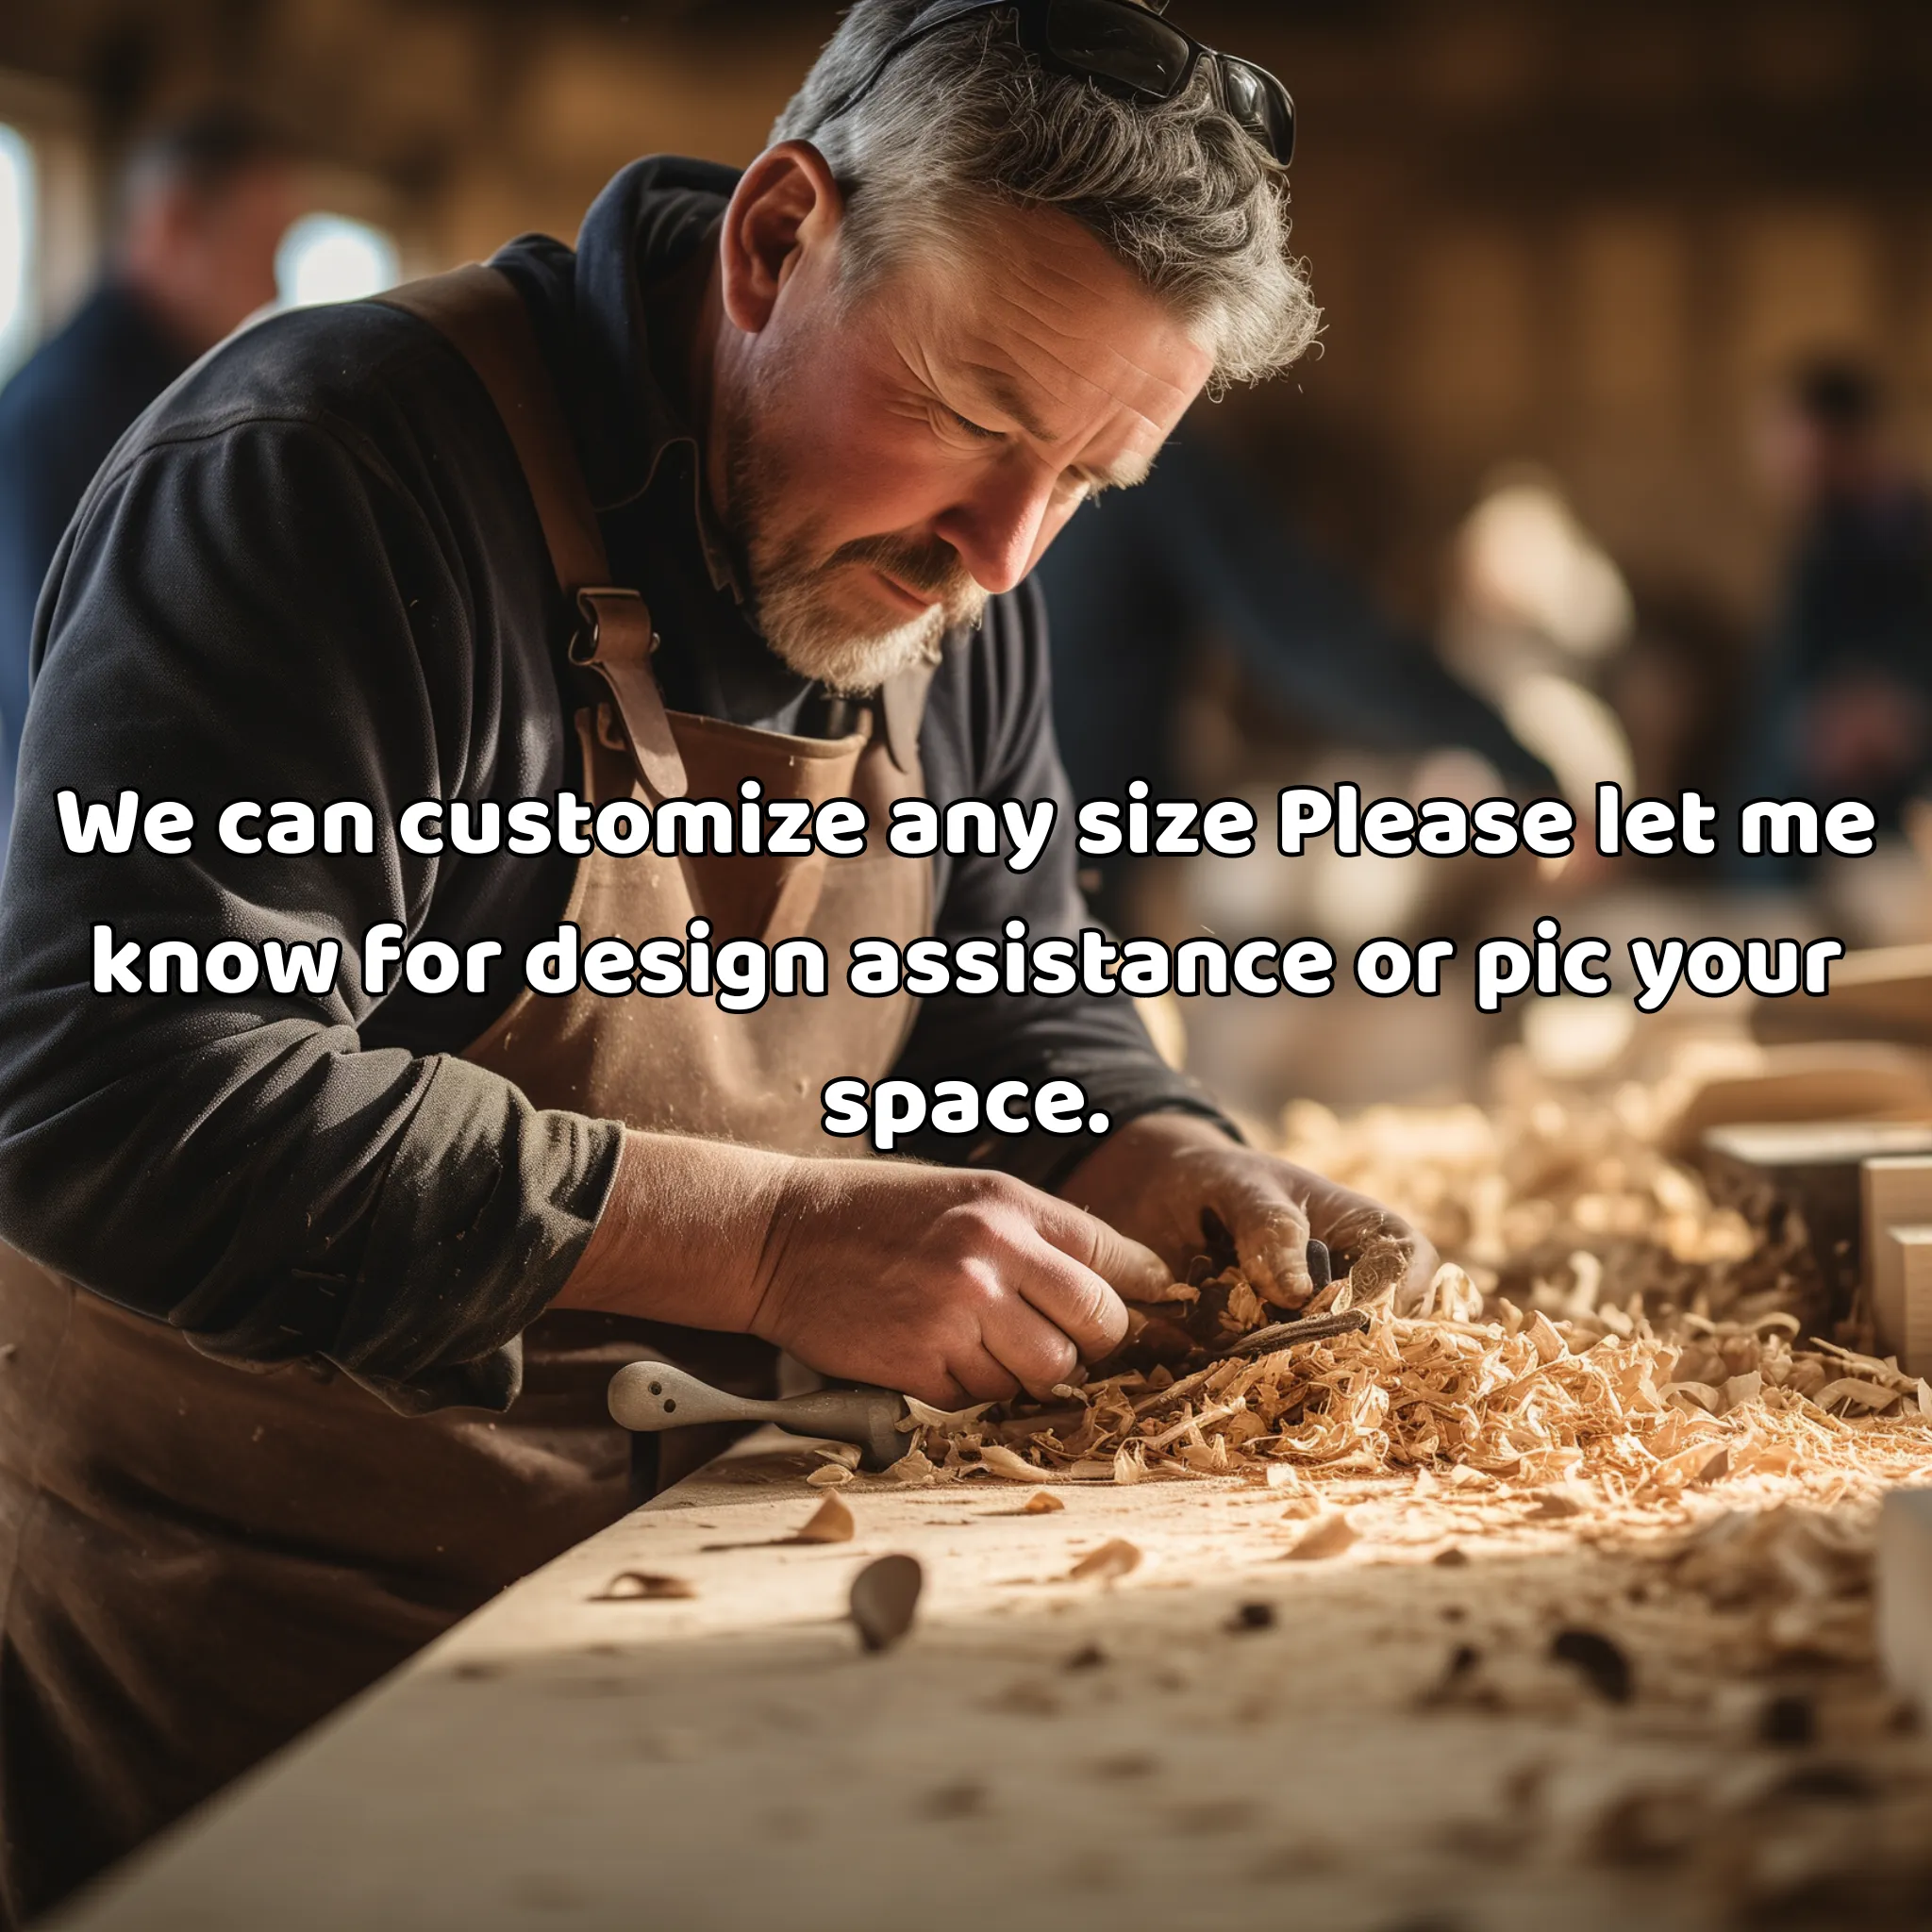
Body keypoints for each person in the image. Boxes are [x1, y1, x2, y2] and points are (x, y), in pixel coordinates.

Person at [0, 1, 1430, 1916]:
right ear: (774, 242)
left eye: (1090, 478)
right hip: (255, 1630)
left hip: (689, 1584)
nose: (1007, 554)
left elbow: (1014, 986)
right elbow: (116, 1090)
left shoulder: (948, 571)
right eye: (982, 419)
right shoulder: (324, 473)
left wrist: (1146, 1140)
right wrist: (769, 1243)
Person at [1039, 422, 1550, 915]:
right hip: (1084, 847)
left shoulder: (1057, 451)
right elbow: (1310, 639)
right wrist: (1519, 766)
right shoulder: (1145, 458)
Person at [0, 107, 297, 860]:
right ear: (171, 225)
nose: (272, 286)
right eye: (259, 248)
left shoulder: (156, 402)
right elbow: (73, 700)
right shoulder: (84, 414)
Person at [1738, 355, 1932, 865]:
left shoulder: (1903, 537)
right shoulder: (1824, 538)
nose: (1773, 454)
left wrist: (1893, 715)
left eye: (1788, 433)